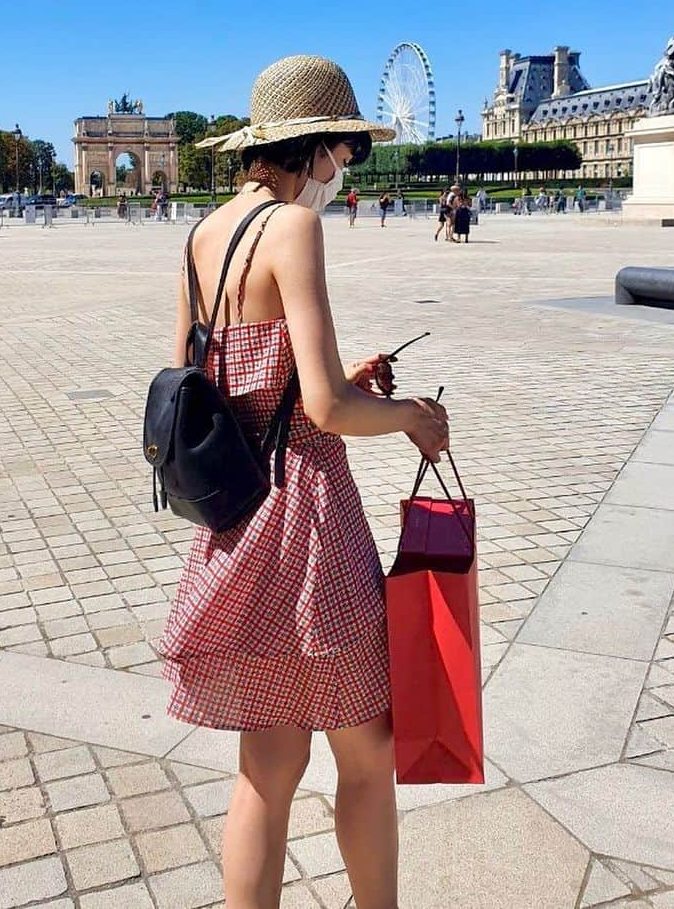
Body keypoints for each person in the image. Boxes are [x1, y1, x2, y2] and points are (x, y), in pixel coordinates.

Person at [159, 55, 449, 909]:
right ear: (317, 147)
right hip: (311, 524)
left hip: (239, 523)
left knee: (269, 762)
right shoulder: (294, 228)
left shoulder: (201, 236)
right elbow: (326, 409)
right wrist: (413, 420)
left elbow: (198, 378)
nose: (345, 172)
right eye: (346, 154)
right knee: (366, 755)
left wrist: (306, 382)